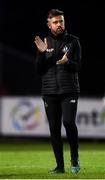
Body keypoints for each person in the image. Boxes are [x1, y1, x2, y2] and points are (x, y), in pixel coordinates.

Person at [34, 9, 81, 174]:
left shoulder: (73, 41)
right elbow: (39, 70)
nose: (59, 24)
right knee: (54, 128)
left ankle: (74, 158)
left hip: (69, 90)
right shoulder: (44, 42)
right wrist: (41, 54)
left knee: (68, 122)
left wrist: (67, 62)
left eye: (61, 21)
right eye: (55, 22)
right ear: (49, 24)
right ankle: (60, 167)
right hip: (49, 91)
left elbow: (78, 66)